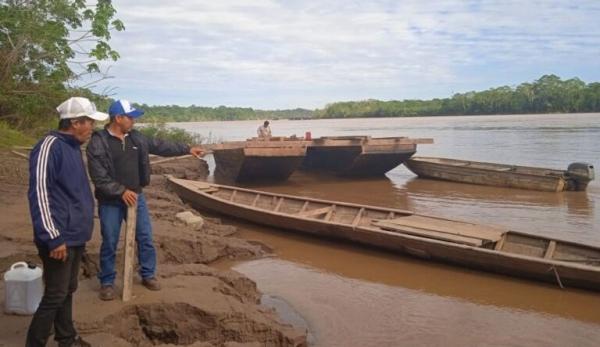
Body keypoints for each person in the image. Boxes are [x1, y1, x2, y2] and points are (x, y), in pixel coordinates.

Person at [86, 99, 204, 301]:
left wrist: (186, 148)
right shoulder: (98, 142)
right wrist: (121, 191)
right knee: (110, 241)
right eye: (130, 117)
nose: (133, 121)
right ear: (118, 118)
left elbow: (159, 145)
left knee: (145, 238)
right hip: (110, 201)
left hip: (136, 198)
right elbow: (98, 176)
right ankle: (107, 282)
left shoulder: (136, 138)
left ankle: (148, 275)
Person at [26, 97, 108, 347]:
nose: (92, 128)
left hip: (74, 234)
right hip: (59, 236)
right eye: (89, 123)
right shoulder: (49, 147)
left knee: (67, 290)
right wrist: (53, 237)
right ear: (75, 122)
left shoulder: (72, 147)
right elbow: (39, 194)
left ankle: (66, 338)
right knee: (55, 294)